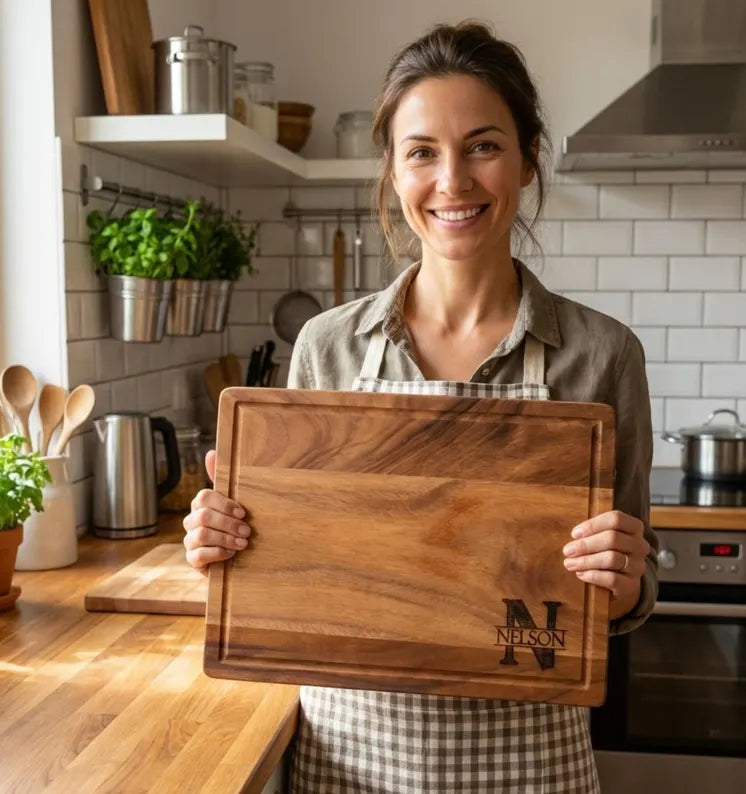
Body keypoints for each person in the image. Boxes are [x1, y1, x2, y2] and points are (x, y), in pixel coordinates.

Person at [183, 20, 658, 794]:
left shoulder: (600, 354)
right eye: (422, 152)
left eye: (483, 145)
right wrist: (226, 545)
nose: (453, 182)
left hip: (531, 764)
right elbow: (294, 574)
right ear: (393, 171)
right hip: (351, 759)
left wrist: (626, 576)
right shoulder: (326, 348)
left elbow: (629, 596)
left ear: (529, 158)